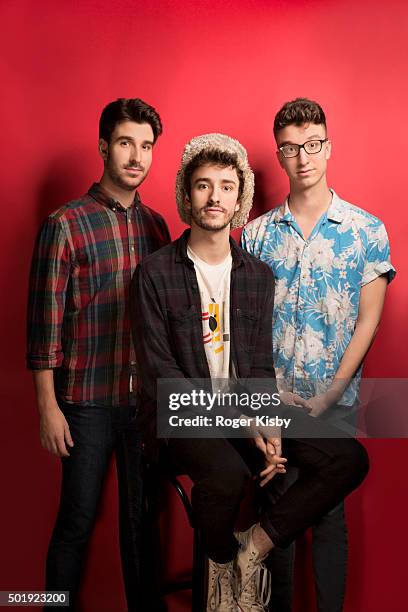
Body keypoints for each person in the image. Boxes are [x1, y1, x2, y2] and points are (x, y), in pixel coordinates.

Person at [131, 132, 370, 612]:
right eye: (202, 185)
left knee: (348, 458)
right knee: (225, 475)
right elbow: (163, 381)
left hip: (243, 406)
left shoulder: (258, 275)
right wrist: (248, 423)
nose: (214, 196)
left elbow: (258, 365)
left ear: (239, 198)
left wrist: (268, 418)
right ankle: (221, 572)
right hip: (179, 417)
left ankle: (253, 547)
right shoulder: (155, 273)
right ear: (187, 194)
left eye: (225, 186)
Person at [241, 97, 395, 612]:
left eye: (312, 146)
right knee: (279, 507)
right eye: (290, 149)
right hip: (275, 397)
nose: (303, 158)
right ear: (279, 155)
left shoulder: (365, 230)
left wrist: (332, 392)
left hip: (336, 397)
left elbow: (368, 320)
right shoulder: (257, 234)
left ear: (328, 147)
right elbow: (247, 325)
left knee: (329, 515)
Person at [26, 97, 170, 611]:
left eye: (147, 146)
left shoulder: (157, 228)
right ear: (104, 147)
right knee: (77, 520)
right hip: (84, 402)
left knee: (141, 523)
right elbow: (45, 324)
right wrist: (48, 407)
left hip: (144, 406)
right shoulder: (65, 224)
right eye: (126, 143)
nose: (137, 156)